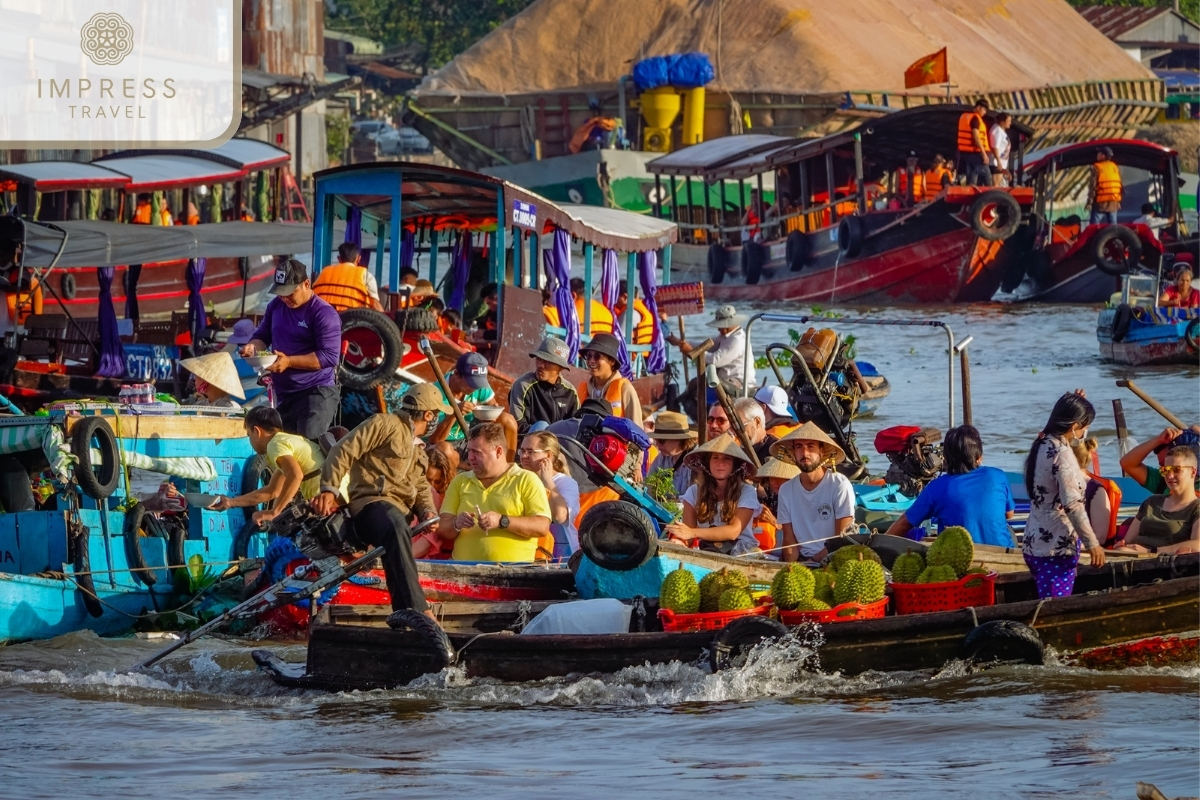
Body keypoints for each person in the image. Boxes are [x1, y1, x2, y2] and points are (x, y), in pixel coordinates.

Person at [311, 383, 447, 614]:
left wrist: (428, 511)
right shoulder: (384, 423)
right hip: (370, 505)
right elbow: (343, 450)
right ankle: (420, 611)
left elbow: (421, 486)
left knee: (397, 536)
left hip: (395, 514)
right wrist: (329, 489)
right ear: (428, 415)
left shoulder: (419, 448)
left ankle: (403, 615)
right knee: (395, 526)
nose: (437, 420)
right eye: (437, 414)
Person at [240, 259, 342, 439]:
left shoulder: (323, 313)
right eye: (280, 293)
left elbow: (329, 357)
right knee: (284, 450)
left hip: (316, 393)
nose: (285, 298)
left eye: (289, 293)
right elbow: (262, 336)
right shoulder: (276, 306)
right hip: (285, 394)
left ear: (306, 284)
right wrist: (252, 347)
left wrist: (289, 362)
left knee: (309, 450)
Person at [1022, 391, 1106, 599]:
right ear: (1074, 426)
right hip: (1055, 550)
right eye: (1085, 427)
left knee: (1045, 601)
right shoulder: (1063, 455)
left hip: (1033, 542)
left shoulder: (1042, 442)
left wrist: (1075, 402)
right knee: (1054, 609)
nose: (1086, 432)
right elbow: (1073, 504)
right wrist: (1092, 544)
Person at [437, 423, 552, 562]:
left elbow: (542, 526)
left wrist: (502, 521)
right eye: (470, 451)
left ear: (498, 451)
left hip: (513, 574)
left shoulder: (526, 479)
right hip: (463, 571)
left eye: (477, 452)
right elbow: (442, 529)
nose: (470, 457)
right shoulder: (460, 481)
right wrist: (456, 523)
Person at [884, 425, 1015, 547]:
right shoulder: (997, 476)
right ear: (979, 457)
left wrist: (879, 546)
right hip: (1003, 551)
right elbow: (1009, 514)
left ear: (945, 458)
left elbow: (904, 523)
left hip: (958, 556)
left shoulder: (937, 487)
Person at [212, 407, 326, 525]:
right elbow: (272, 490)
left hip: (324, 502)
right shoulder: (287, 441)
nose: (250, 441)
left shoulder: (275, 445)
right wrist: (230, 502)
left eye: (249, 435)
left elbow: (296, 475)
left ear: (257, 431)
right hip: (328, 498)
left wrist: (274, 512)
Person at [664, 433, 761, 556]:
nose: (720, 463)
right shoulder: (694, 492)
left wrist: (693, 533)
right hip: (708, 550)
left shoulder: (747, 491)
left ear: (735, 465)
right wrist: (679, 541)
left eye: (727, 458)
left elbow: (733, 532)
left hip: (741, 553)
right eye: (715, 457)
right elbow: (687, 534)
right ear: (707, 463)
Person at [773, 421, 856, 563]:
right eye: (799, 447)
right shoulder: (786, 490)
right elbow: (789, 540)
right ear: (793, 452)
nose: (805, 453)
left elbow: (841, 539)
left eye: (810, 446)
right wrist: (791, 567)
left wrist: (813, 561)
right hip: (802, 560)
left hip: (834, 558)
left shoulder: (839, 485)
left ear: (821, 452)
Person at [430, 352, 519, 458]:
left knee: (507, 420)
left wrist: (490, 416)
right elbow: (434, 440)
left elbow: (493, 408)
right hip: (443, 445)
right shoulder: (434, 393)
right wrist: (455, 413)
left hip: (468, 439)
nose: (475, 388)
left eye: (478, 383)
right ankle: (464, 466)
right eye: (471, 383)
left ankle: (507, 469)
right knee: (445, 449)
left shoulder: (479, 386)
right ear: (457, 374)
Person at [1114, 446, 1199, 555]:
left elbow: (1197, 545)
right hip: (1131, 555)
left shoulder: (1195, 508)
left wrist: (1150, 551)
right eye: (1165, 470)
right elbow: (1127, 541)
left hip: (1162, 562)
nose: (1170, 476)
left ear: (1193, 472)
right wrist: (1121, 544)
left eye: (1176, 470)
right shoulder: (1152, 502)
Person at [519, 431, 580, 560]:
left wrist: (548, 483)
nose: (524, 456)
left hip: (560, 554)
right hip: (527, 550)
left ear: (548, 456)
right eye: (522, 450)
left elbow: (560, 516)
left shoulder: (565, 483)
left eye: (531, 452)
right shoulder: (518, 478)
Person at [666, 304, 752, 392]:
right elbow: (704, 346)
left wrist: (692, 351)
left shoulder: (737, 340)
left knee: (699, 386)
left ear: (728, 325)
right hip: (726, 381)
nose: (718, 329)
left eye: (720, 326)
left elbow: (715, 360)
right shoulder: (725, 337)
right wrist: (679, 342)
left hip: (739, 383)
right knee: (694, 384)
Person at [509, 336, 580, 435]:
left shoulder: (570, 392)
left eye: (547, 361)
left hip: (560, 446)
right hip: (529, 445)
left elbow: (575, 428)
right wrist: (547, 434)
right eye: (539, 359)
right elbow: (518, 426)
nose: (540, 365)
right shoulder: (523, 385)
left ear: (560, 368)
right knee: (541, 426)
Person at [577, 332, 642, 428]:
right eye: (589, 356)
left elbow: (637, 430)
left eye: (597, 356)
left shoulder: (625, 388)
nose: (591, 361)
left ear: (612, 361)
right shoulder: (583, 389)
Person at [1119, 426, 1200, 494]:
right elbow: (1128, 464)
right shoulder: (1162, 481)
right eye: (1164, 468)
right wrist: (1158, 440)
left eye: (1175, 468)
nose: (1169, 475)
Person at [1071, 437, 1118, 547]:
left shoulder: (1096, 492)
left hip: (1083, 553)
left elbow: (1099, 538)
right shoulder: (1056, 485)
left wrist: (1066, 546)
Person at [312, 242, 384, 312]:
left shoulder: (325, 271)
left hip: (323, 316)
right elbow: (375, 304)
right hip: (353, 320)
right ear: (358, 258)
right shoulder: (366, 275)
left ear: (339, 259)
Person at [750, 457, 800, 553]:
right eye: (771, 477)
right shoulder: (773, 496)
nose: (773, 482)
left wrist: (776, 522)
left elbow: (800, 530)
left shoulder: (799, 499)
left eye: (778, 478)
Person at [645, 410, 697, 497]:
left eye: (661, 440)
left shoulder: (697, 461)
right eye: (656, 440)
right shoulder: (661, 459)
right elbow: (649, 491)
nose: (657, 444)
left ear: (680, 439)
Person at [178, 351, 244, 408]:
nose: (195, 378)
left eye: (198, 375)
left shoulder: (230, 407)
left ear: (208, 379)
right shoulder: (201, 404)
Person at [956, 99, 992, 187]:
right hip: (975, 153)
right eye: (984, 109)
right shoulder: (975, 119)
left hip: (966, 153)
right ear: (978, 107)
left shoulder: (965, 116)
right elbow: (976, 136)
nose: (985, 112)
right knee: (987, 176)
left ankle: (972, 196)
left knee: (972, 176)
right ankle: (992, 196)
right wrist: (984, 154)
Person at [733, 395, 776, 465]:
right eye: (733, 426)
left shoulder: (775, 450)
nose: (736, 432)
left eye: (740, 426)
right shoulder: (734, 450)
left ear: (757, 422)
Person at [1088, 146, 1122, 226]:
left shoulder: (1096, 167)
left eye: (1099, 153)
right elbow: (1119, 185)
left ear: (1103, 156)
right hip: (1113, 202)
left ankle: (1095, 238)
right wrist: (1118, 202)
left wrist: (1089, 202)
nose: (1097, 155)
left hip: (1100, 203)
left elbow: (1093, 186)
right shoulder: (1115, 167)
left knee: (1094, 226)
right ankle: (1114, 238)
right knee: (1113, 226)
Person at [614, 280, 654, 345]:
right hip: (643, 353)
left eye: (615, 296)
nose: (613, 300)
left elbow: (619, 339)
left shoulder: (629, 312)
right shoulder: (645, 309)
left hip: (631, 354)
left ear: (625, 297)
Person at [988, 112, 1013, 187]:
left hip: (1000, 163)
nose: (1010, 123)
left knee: (999, 185)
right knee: (996, 185)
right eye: (1009, 121)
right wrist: (998, 161)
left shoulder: (1001, 131)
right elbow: (995, 147)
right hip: (995, 163)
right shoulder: (997, 131)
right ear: (1002, 122)